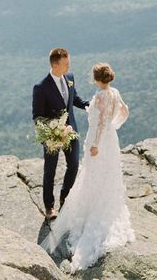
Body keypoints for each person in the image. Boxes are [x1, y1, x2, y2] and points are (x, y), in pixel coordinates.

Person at [41, 62, 135, 272]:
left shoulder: (101, 96)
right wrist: (115, 126)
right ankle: (104, 203)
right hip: (112, 139)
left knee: (93, 173)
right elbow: (125, 111)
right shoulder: (115, 92)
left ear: (96, 78)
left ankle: (90, 207)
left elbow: (101, 122)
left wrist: (95, 144)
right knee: (108, 174)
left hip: (99, 141)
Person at [32, 47, 89, 220]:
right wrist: (54, 130)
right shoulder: (41, 87)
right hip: (52, 136)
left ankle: (65, 197)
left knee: (73, 166)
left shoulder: (70, 78)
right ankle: (49, 206)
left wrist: (92, 105)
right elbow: (37, 117)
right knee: (50, 170)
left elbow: (75, 100)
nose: (69, 66)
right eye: (66, 63)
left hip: (71, 131)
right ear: (56, 65)